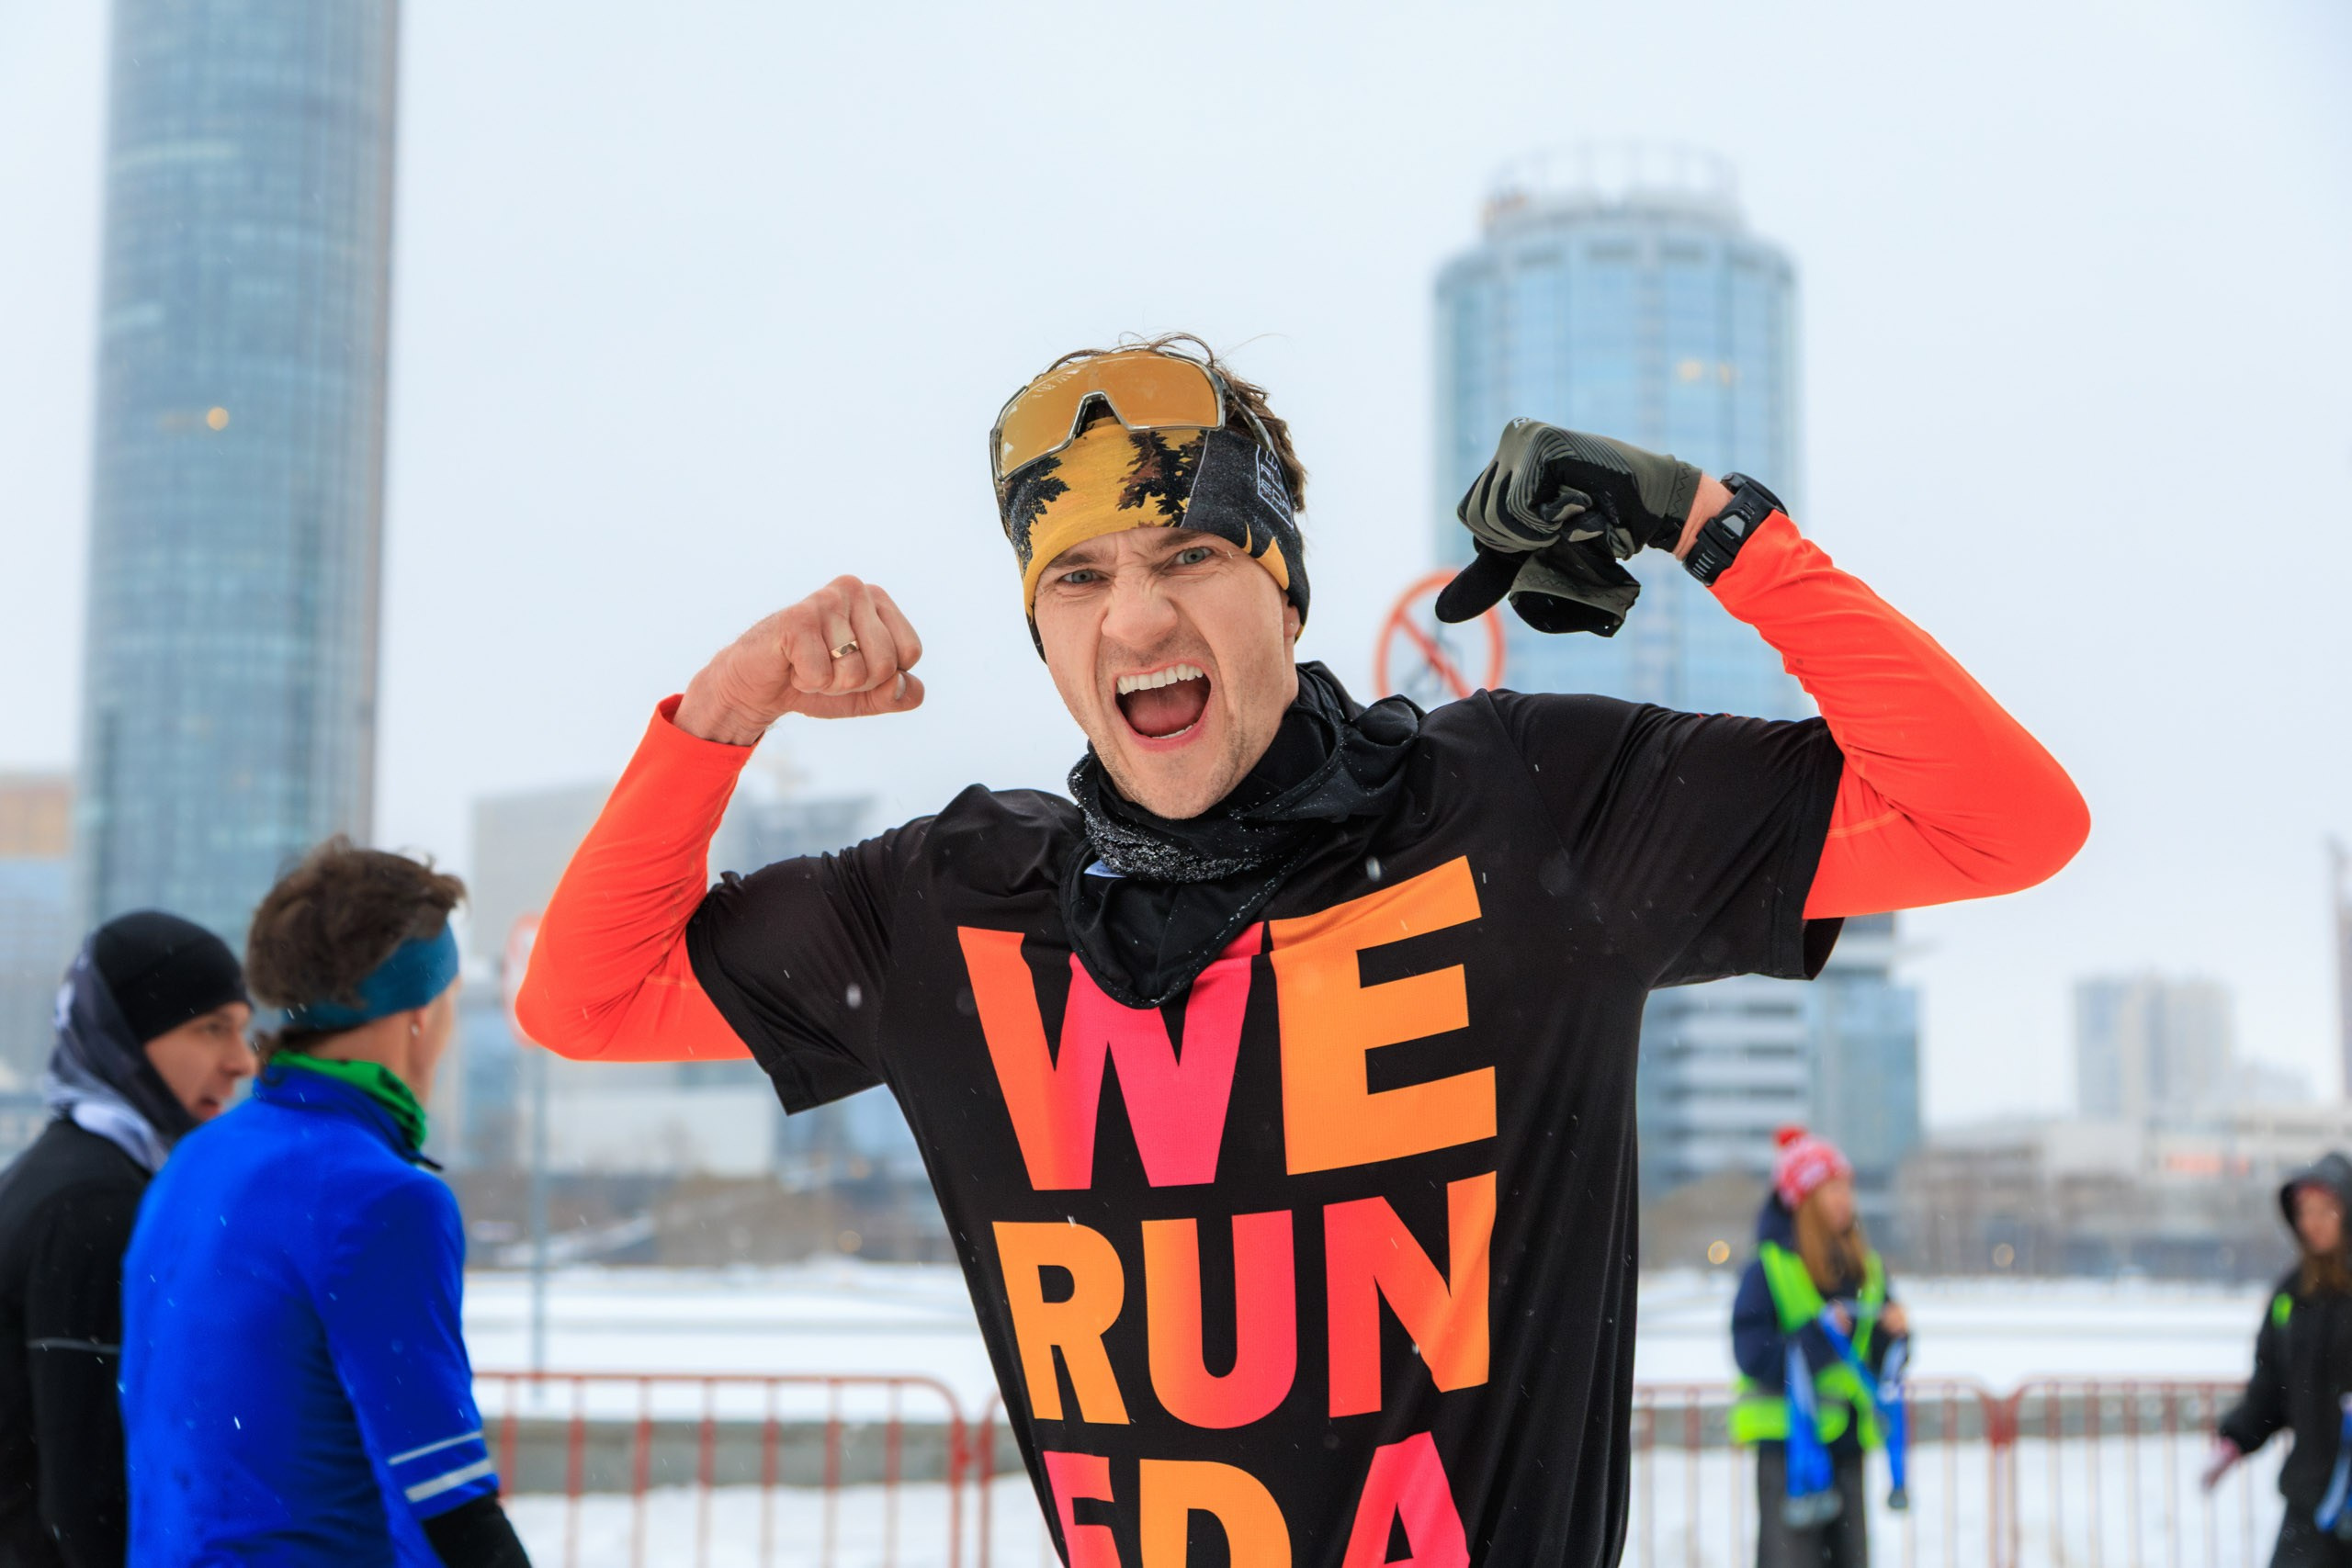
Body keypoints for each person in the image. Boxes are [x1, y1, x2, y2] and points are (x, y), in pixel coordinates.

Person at [517, 337, 2087, 1563]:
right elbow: (582, 1002)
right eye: (1080, 577)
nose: (1136, 622)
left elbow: (1998, 822)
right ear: (1043, 633)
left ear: (1279, 587)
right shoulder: (956, 906)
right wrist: (720, 715)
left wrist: (1712, 527)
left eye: (1190, 554)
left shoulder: (1523, 811)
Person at [119, 840, 529, 1567]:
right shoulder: (384, 1199)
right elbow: (444, 1491)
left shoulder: (195, 1161)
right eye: (453, 1002)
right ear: (419, 1013)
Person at [0, 912, 252, 1567]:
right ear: (124, 1038)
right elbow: (87, 1492)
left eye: (243, 1029)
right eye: (211, 1028)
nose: (241, 1061)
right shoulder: (94, 1207)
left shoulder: (69, 1175)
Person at [1730, 1128, 1908, 1567]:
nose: (1844, 1199)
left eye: (1846, 1187)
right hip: (1790, 1452)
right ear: (1803, 1200)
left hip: (1848, 1448)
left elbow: (1877, 1359)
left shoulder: (1867, 1268)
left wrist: (1896, 1333)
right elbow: (1752, 1356)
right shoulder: (1768, 1270)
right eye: (1830, 1189)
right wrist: (1817, 1337)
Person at [2208, 1152, 2352, 1565]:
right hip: (2310, 1496)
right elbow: (2272, 1386)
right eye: (2305, 1211)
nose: (2314, 1221)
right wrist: (2235, 1438)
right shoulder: (2291, 1295)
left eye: (2327, 1209)